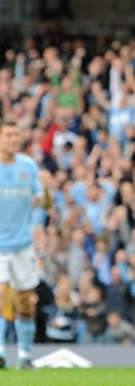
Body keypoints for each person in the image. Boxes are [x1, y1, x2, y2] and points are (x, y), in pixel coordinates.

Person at [0, 120, 50, 371]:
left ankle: (24, 356)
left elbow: (44, 203)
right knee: (0, 296)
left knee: (25, 304)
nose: (13, 138)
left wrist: (48, 189)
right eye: (8, 134)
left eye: (16, 134)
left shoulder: (28, 166)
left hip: (23, 246)